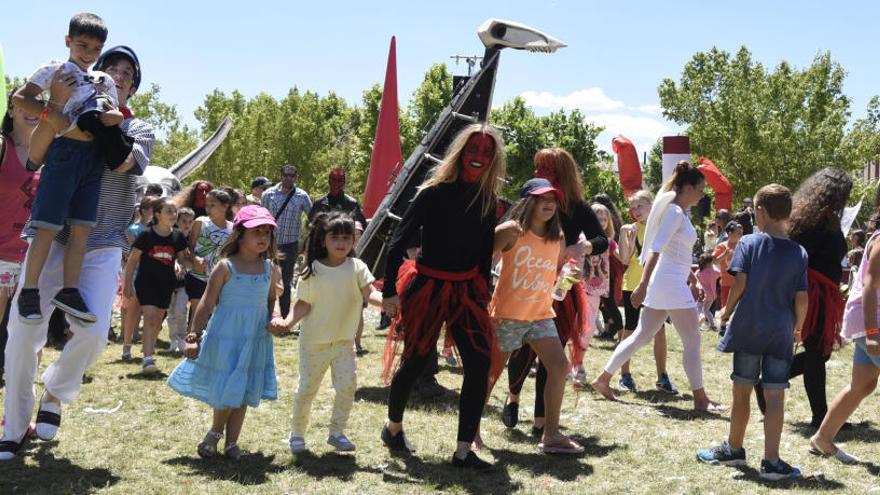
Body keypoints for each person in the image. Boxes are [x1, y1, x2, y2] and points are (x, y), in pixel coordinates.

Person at [1, 45, 154, 460]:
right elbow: (36, 149)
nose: (119, 76)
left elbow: (125, 163)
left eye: (128, 74)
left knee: (94, 334)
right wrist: (53, 107)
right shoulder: (67, 114)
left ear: (134, 86)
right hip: (54, 240)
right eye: (111, 70)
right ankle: (13, 428)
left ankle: (53, 394)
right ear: (96, 76)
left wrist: (102, 123)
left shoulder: (140, 129)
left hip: (102, 246)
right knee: (21, 334)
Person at [380, 123, 504, 469]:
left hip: (467, 289)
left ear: (493, 159)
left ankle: (464, 450)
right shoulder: (431, 192)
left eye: (486, 152)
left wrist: (483, 291)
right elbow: (397, 242)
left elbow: (482, 250)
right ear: (461, 151)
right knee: (416, 361)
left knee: (479, 364)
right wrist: (390, 292)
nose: (478, 157)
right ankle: (393, 428)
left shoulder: (487, 199)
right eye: (473, 150)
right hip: (429, 286)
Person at [15, 13, 132, 325]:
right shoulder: (55, 69)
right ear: (68, 41)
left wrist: (113, 117)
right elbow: (20, 98)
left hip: (92, 157)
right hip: (64, 152)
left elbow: (109, 110)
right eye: (82, 45)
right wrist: (51, 113)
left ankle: (69, 290)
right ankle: (29, 292)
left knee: (82, 228)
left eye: (96, 49)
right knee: (47, 227)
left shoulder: (103, 80)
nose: (89, 54)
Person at [697, 184, 808, 481]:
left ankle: (734, 449)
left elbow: (740, 283)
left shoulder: (748, 243)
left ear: (760, 212)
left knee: (742, 389)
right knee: (775, 396)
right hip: (780, 332)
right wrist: (797, 328)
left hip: (749, 328)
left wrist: (726, 311)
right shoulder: (799, 252)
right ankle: (772, 461)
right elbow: (802, 298)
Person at [592, 161, 722, 412]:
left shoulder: (678, 212)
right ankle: (700, 399)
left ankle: (603, 378)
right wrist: (642, 285)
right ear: (687, 188)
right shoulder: (674, 213)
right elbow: (656, 249)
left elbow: (674, 253)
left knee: (642, 335)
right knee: (692, 339)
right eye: (700, 188)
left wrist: (691, 279)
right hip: (668, 283)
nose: (703, 193)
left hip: (667, 282)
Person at [503, 148, 608, 436]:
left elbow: (602, 239)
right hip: (528, 285)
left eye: (546, 168)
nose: (539, 173)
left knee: (553, 354)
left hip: (562, 289)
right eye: (539, 167)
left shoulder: (576, 206)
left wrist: (582, 247)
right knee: (522, 349)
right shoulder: (529, 201)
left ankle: (541, 420)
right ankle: (512, 398)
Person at [167, 205, 282, 460]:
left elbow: (271, 299)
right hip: (226, 336)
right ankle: (215, 433)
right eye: (257, 232)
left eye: (267, 232)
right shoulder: (225, 266)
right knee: (227, 387)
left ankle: (232, 443)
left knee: (243, 389)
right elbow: (206, 304)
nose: (263, 237)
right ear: (240, 234)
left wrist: (274, 317)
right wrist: (193, 337)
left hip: (254, 337)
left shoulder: (270, 269)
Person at [272, 212, 381, 454]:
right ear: (324, 240)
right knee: (307, 389)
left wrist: (386, 302)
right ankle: (297, 434)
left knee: (347, 386)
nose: (341, 243)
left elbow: (369, 293)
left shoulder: (357, 267)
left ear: (354, 240)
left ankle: (336, 433)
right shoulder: (312, 270)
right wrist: (288, 322)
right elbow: (303, 304)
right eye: (335, 237)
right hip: (314, 343)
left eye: (347, 237)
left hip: (344, 342)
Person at [490, 178, 583, 454]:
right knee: (488, 375)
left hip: (541, 314)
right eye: (543, 198)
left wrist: (567, 276)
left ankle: (551, 435)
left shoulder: (559, 237)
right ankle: (471, 434)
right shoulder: (511, 231)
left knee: (558, 367)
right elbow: (482, 259)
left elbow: (554, 272)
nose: (550, 203)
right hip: (508, 314)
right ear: (527, 202)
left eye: (553, 198)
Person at [761, 168, 851, 428]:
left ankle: (766, 380)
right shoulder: (814, 222)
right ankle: (820, 416)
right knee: (816, 353)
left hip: (819, 293)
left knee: (819, 353)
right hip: (814, 294)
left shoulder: (813, 218)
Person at [810, 188, 880, 465]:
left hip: (865, 322)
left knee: (861, 385)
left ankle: (823, 439)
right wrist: (873, 334)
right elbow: (871, 286)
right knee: (861, 385)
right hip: (871, 323)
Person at [613, 190, 674, 393]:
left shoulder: (662, 228)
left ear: (652, 204)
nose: (635, 211)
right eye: (632, 207)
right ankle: (625, 375)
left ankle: (662, 376)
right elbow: (624, 259)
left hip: (657, 285)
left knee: (660, 331)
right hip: (633, 285)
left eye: (639, 206)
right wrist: (623, 235)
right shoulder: (630, 229)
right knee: (629, 330)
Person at [0, 87, 41, 382]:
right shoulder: (2, 147)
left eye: (37, 103)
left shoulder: (50, 155)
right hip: (0, 256)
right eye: (22, 102)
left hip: (33, 261)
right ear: (11, 109)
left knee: (28, 340)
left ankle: (18, 413)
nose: (30, 108)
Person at [123, 197, 189, 373]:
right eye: (169, 211)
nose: (173, 214)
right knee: (150, 318)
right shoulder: (147, 235)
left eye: (175, 211)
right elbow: (132, 261)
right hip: (146, 283)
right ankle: (147, 359)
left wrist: (187, 264)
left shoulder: (178, 236)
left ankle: (148, 352)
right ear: (157, 214)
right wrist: (127, 285)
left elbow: (183, 260)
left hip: (166, 284)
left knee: (157, 321)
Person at [262, 164, 312, 317]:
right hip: (270, 243)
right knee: (265, 278)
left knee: (286, 280)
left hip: (290, 245)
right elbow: (262, 216)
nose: (288, 178)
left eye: (292, 176)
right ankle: (265, 315)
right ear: (280, 176)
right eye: (286, 175)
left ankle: (284, 316)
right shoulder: (268, 194)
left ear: (296, 177)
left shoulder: (301, 195)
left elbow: (312, 216)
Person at [185, 189, 233, 324]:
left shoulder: (232, 229)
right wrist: (194, 259)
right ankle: (191, 342)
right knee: (196, 311)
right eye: (206, 205)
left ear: (225, 206)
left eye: (212, 205)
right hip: (198, 275)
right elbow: (190, 246)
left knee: (213, 315)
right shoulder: (201, 222)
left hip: (219, 278)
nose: (208, 208)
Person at [167, 206, 195, 353]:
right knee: (171, 310)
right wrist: (176, 263)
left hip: (184, 281)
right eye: (184, 221)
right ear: (177, 221)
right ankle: (173, 340)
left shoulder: (193, 238)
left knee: (180, 310)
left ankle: (182, 338)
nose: (187, 224)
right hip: (169, 279)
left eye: (190, 221)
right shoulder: (172, 236)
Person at [713, 221, 743, 311]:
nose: (741, 235)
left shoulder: (743, 245)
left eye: (741, 232)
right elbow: (714, 261)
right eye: (738, 232)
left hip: (741, 284)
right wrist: (724, 255)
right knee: (726, 309)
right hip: (727, 284)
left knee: (741, 310)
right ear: (730, 233)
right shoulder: (722, 246)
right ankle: (724, 325)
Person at [695, 254, 721, 331]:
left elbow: (696, 280)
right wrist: (713, 267)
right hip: (712, 296)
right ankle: (712, 325)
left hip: (703, 294)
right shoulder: (713, 272)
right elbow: (719, 273)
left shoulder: (699, 272)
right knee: (706, 310)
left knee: (699, 308)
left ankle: (699, 322)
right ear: (709, 263)